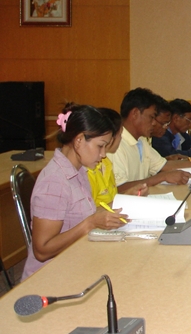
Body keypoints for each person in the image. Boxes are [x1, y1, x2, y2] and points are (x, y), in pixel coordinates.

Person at [21, 104, 128, 280]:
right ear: (79, 140)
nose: (103, 154)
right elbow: (42, 251)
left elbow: (79, 214)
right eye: (100, 146)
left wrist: (121, 203)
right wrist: (90, 224)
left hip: (76, 261)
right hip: (50, 276)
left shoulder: (78, 171)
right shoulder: (54, 182)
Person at [108, 88, 191, 193]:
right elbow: (118, 188)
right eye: (151, 117)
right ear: (135, 113)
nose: (154, 123)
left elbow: (163, 166)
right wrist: (162, 177)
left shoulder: (141, 141)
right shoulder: (115, 145)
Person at [87, 108, 149, 206]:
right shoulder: (88, 170)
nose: (121, 139)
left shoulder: (106, 163)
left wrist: (127, 196)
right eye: (120, 134)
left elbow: (111, 199)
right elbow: (90, 212)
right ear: (110, 137)